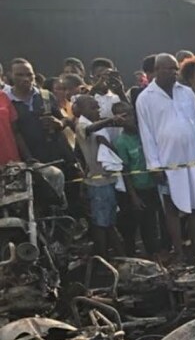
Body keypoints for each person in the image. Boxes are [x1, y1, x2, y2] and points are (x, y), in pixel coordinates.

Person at [136, 53, 195, 261]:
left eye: (175, 69)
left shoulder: (186, 92)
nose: (173, 72)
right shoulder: (145, 98)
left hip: (192, 157)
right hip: (167, 161)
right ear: (156, 70)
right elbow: (146, 134)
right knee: (171, 208)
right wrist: (155, 166)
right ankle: (178, 251)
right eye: (168, 69)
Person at [9, 59, 75, 210]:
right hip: (26, 162)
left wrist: (59, 124)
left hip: (55, 157)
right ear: (11, 76)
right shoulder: (6, 101)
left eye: (29, 74)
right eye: (20, 75)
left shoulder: (45, 96)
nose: (26, 79)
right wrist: (27, 158)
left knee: (62, 204)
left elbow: (65, 119)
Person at [72, 94, 125, 257]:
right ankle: (104, 257)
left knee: (109, 222)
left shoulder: (96, 124)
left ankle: (117, 256)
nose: (98, 110)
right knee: (102, 224)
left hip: (107, 180)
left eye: (98, 106)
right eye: (93, 107)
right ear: (81, 110)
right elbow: (89, 130)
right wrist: (111, 120)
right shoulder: (82, 124)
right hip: (98, 183)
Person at [111, 102, 162, 259]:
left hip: (155, 184)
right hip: (139, 188)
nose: (130, 118)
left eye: (131, 114)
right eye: (124, 116)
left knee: (156, 221)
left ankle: (159, 251)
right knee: (141, 223)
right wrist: (133, 196)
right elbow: (125, 171)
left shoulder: (145, 134)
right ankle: (143, 255)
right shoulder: (121, 142)